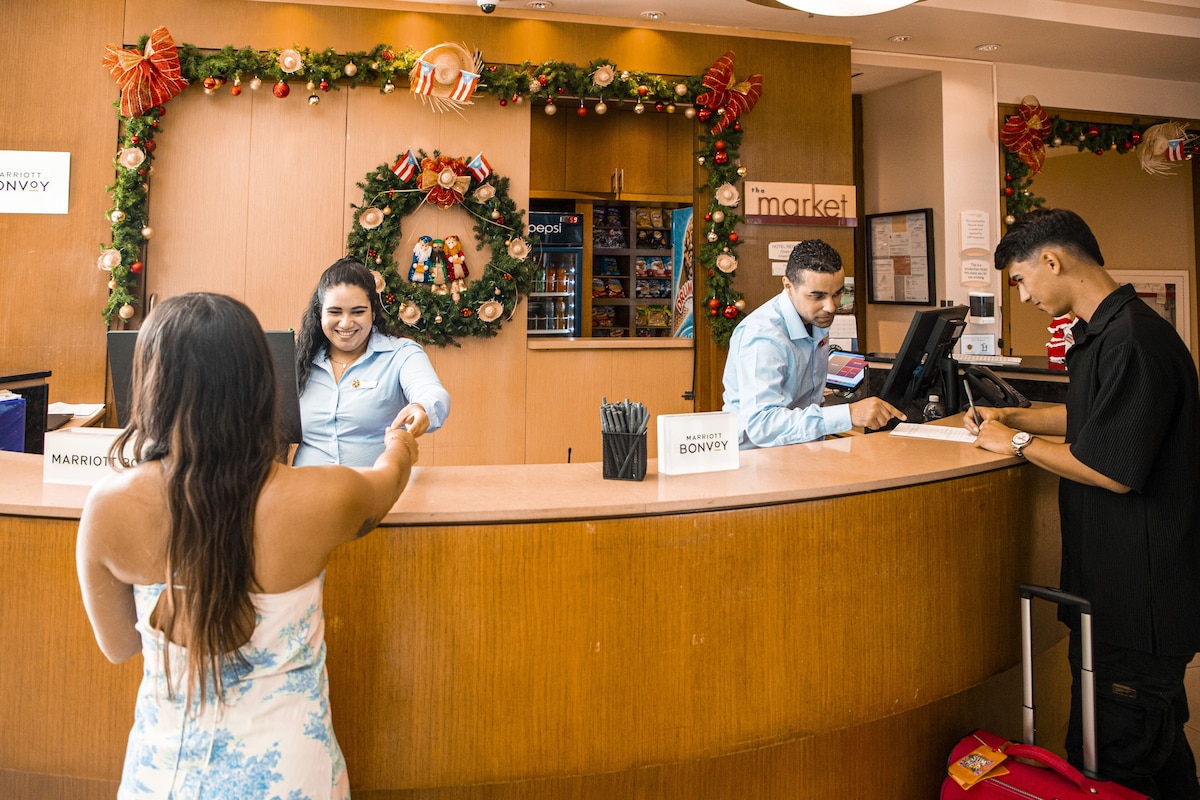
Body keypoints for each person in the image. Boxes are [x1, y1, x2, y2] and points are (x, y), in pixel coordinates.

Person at [76, 292, 419, 798]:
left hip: (167, 773)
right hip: (292, 774)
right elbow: (387, 483)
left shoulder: (107, 506)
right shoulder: (324, 495)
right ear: (261, 382)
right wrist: (400, 446)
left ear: (151, 383)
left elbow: (119, 646)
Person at [963, 208, 1200, 798]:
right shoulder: (1101, 330)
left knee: (1109, 762)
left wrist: (1016, 444)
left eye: (1020, 280)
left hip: (1137, 600)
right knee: (1159, 759)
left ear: (1053, 260)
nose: (1022, 295)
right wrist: (1011, 415)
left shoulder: (1135, 341)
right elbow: (1090, 416)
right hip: (1112, 590)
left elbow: (1110, 469)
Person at [722, 239, 904, 448]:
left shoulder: (813, 317)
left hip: (800, 450)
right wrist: (849, 414)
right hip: (758, 460)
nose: (830, 307)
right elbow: (762, 425)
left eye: (837, 294)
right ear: (788, 286)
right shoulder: (763, 337)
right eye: (817, 296)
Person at [294, 257, 450, 467]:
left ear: (373, 312)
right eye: (335, 312)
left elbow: (432, 392)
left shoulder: (401, 353)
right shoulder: (300, 359)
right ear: (319, 314)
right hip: (308, 491)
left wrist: (421, 407)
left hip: (378, 492)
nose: (346, 323)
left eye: (358, 312)